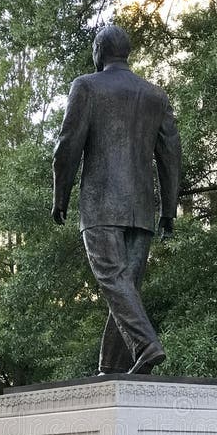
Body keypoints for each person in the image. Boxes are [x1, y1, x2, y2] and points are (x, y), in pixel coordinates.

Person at [52, 24, 181, 375]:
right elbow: (171, 155)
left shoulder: (86, 86)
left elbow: (67, 146)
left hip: (102, 204)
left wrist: (60, 194)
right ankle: (111, 368)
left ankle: (146, 344)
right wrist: (169, 208)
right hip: (141, 209)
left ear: (98, 51)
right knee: (126, 291)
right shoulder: (155, 95)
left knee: (114, 281)